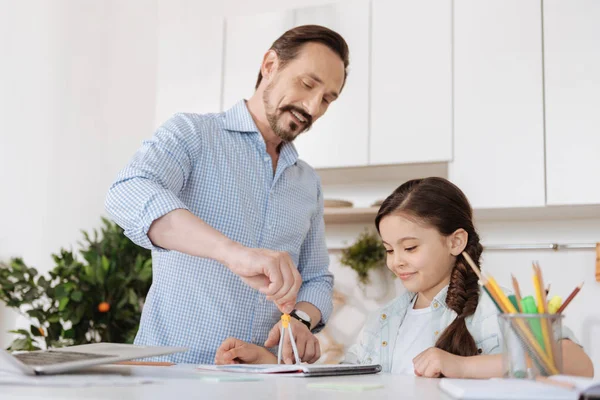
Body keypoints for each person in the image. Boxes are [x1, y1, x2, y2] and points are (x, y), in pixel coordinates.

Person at [104, 25, 350, 364]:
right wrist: (232, 253)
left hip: (261, 378)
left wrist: (301, 320)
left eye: (327, 99)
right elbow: (128, 192)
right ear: (269, 65)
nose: (313, 107)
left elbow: (317, 278)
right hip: (171, 375)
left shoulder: (307, 182)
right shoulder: (192, 134)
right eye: (307, 84)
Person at [214, 177, 594, 378]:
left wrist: (463, 366)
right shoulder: (387, 317)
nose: (396, 262)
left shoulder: (494, 308)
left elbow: (578, 364)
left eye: (410, 248)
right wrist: (270, 361)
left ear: (455, 241)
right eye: (389, 249)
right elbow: (349, 378)